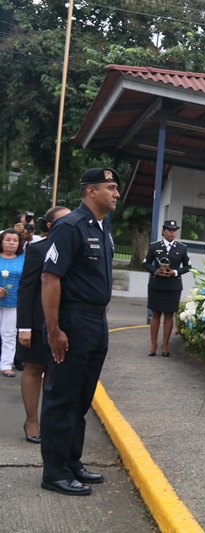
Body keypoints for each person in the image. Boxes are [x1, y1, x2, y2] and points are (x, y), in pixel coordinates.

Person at [39, 167, 119, 496]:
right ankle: (54, 472)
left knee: (81, 398)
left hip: (96, 323)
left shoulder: (102, 228)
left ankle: (71, 462)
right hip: (72, 321)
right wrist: (54, 329)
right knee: (62, 398)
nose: (116, 193)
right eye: (110, 187)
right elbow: (50, 278)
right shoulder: (69, 226)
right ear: (91, 191)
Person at [17, 206, 71, 444]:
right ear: (50, 225)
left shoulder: (74, 248)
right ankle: (31, 421)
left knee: (54, 370)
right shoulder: (38, 249)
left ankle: (49, 421)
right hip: (38, 319)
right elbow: (26, 289)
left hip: (65, 320)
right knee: (34, 367)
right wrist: (24, 327)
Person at [143, 220, 191, 357]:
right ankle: (153, 344)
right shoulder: (155, 246)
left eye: (174, 230)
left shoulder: (182, 248)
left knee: (169, 314)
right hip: (156, 285)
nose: (172, 233)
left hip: (173, 286)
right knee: (155, 313)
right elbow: (146, 263)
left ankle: (165, 344)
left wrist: (175, 272)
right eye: (169, 230)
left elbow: (188, 266)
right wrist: (155, 271)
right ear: (163, 231)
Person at [0, 228, 25, 377]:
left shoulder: (24, 259)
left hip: (14, 302)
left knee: (9, 334)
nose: (11, 243)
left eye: (15, 240)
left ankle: (6, 365)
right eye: (8, 240)